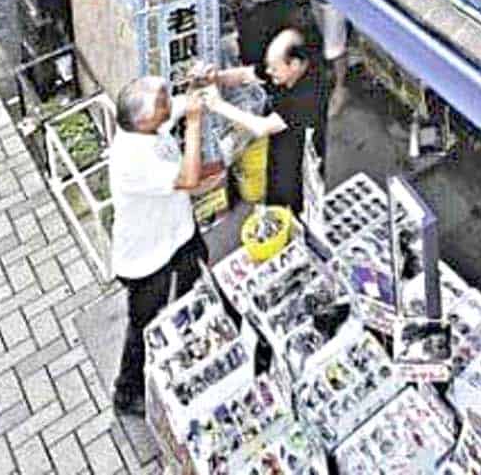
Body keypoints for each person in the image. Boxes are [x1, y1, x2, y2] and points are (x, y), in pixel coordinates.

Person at [108, 75, 286, 415]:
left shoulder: (147, 125)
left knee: (203, 285)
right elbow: (189, 179)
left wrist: (200, 90)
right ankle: (126, 392)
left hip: (179, 234)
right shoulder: (133, 159)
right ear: (144, 120)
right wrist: (193, 122)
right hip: (147, 258)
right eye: (162, 102)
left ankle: (236, 341)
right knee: (144, 322)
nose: (169, 102)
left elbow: (183, 105)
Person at [214, 27, 329, 216]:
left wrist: (217, 105)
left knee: (295, 195)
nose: (269, 71)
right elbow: (246, 74)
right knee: (275, 177)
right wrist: (215, 78)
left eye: (274, 68)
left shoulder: (308, 93)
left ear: (294, 64)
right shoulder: (282, 68)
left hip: (304, 152)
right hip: (282, 139)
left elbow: (262, 127)